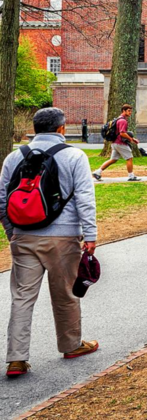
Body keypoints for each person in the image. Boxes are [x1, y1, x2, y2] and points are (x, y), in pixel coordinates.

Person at [2, 107, 101, 379]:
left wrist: (13, 232)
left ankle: (16, 358)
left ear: (34, 128)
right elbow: (84, 197)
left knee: (22, 298)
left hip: (24, 236)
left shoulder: (14, 157)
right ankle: (71, 345)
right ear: (61, 128)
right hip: (63, 236)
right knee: (65, 294)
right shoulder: (74, 155)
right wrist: (90, 235)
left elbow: (2, 198)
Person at [93, 104, 140, 182]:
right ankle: (131, 176)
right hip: (120, 143)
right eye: (128, 111)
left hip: (114, 143)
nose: (130, 112)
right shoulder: (123, 121)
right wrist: (131, 139)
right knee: (129, 158)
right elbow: (122, 133)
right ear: (123, 111)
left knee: (113, 159)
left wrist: (132, 138)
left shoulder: (118, 119)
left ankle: (97, 172)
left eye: (131, 111)